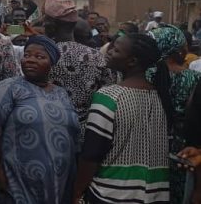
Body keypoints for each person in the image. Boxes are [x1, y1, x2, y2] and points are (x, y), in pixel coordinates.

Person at [73, 34, 172, 203]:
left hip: (112, 193)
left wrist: (75, 193)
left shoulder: (108, 97)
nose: (109, 51)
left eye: (116, 50)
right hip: (155, 194)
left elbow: (91, 154)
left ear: (132, 61)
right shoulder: (160, 96)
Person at [0, 35, 79, 204]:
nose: (30, 60)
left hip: (58, 187)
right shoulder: (9, 88)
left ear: (52, 63)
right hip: (15, 187)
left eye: (40, 57)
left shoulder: (61, 94)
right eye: (27, 55)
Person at [43, 0, 115, 142]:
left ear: (50, 25)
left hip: (47, 129)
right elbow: (108, 93)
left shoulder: (43, 55)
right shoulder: (96, 56)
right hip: (86, 132)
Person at [146, 25, 201, 203]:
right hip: (184, 150)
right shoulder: (194, 78)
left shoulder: (143, 76)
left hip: (149, 145)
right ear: (178, 51)